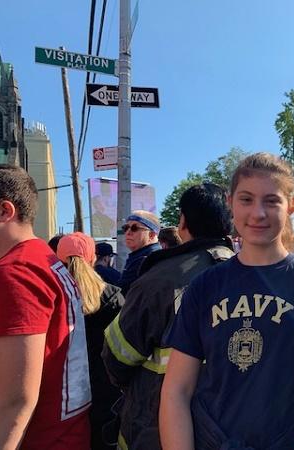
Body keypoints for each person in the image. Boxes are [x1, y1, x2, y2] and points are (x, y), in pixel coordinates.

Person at [160, 153, 294, 449]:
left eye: (271, 201)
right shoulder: (205, 286)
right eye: (246, 200)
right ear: (230, 203)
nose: (258, 213)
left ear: (291, 205)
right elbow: (176, 390)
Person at [102, 183, 235, 450]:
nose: (128, 233)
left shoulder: (160, 279)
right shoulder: (251, 277)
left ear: (183, 222)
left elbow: (117, 356)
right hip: (228, 432)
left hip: (155, 429)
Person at [0, 164, 91, 449]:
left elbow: (16, 400)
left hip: (40, 439)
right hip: (67, 433)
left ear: (5, 211)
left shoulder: (16, 271)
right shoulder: (45, 259)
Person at [56, 232, 124, 450]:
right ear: (93, 258)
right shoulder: (114, 296)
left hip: (64, 394)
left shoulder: (52, 295)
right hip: (106, 393)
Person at [119, 210, 161, 295]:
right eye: (126, 228)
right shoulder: (141, 256)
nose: (128, 232)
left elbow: (123, 296)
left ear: (151, 235)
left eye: (135, 228)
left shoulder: (148, 259)